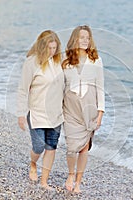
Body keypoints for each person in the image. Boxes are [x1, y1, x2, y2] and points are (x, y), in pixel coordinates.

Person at [17, 30, 64, 190]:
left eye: (54, 48)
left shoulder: (59, 62)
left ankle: (44, 182)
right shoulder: (31, 63)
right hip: (37, 113)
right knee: (38, 146)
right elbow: (23, 90)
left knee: (51, 147)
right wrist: (21, 114)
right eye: (49, 48)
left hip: (56, 114)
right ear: (42, 47)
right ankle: (33, 163)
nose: (52, 52)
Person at [61, 25, 105, 193]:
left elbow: (100, 88)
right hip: (70, 109)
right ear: (75, 39)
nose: (85, 41)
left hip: (89, 110)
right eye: (82, 37)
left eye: (88, 38)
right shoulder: (66, 60)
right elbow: (60, 86)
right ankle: (71, 174)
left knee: (84, 147)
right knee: (72, 147)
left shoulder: (96, 60)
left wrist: (100, 114)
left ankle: (78, 181)